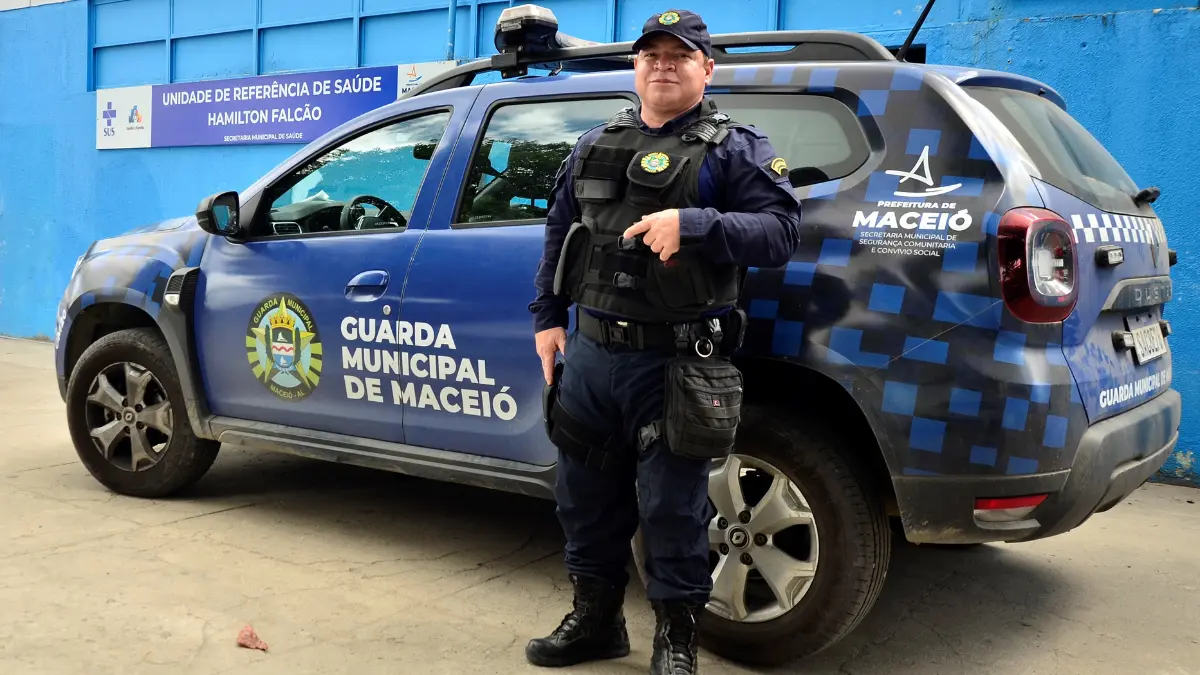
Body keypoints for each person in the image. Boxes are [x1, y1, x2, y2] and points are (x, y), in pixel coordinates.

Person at [525, 8, 802, 674]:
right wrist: (548, 317)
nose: (663, 65)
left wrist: (696, 224)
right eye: (652, 54)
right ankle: (596, 621)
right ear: (635, 66)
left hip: (675, 360)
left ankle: (676, 639)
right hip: (590, 353)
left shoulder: (736, 148)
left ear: (707, 69)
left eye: (679, 55)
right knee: (583, 498)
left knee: (672, 508)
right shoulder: (594, 143)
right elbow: (561, 232)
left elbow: (780, 234)